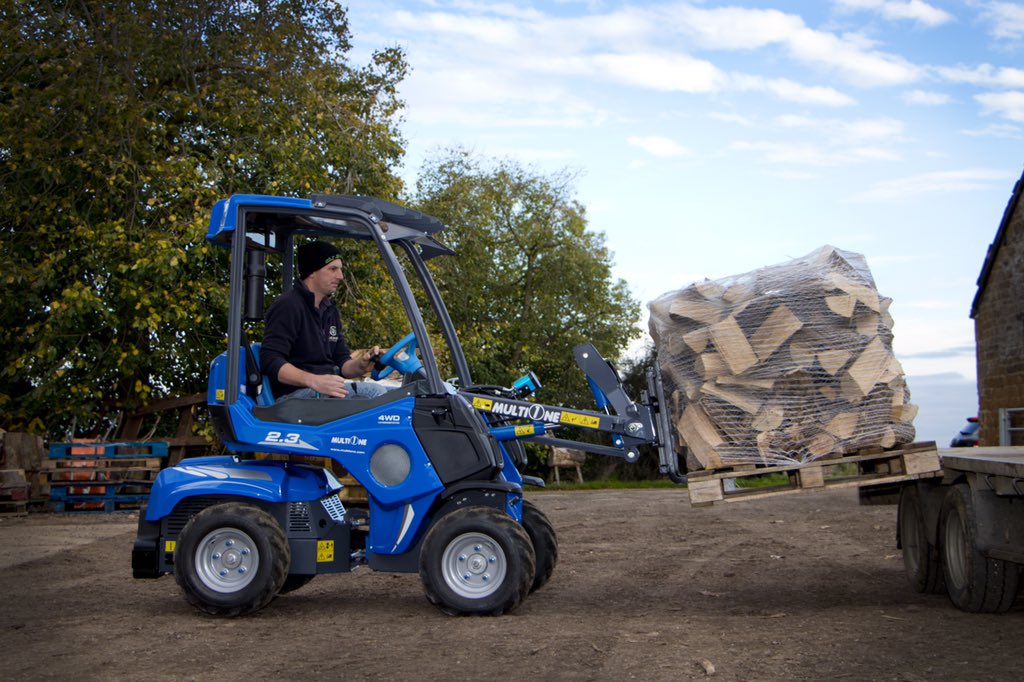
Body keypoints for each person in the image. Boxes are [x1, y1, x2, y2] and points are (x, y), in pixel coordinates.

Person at [260, 240, 388, 401]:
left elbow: (343, 364)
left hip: (323, 394)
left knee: (396, 397)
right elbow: (270, 361)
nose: (340, 276)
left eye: (340, 270)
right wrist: (314, 381)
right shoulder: (288, 305)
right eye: (333, 269)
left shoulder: (330, 310)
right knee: (375, 394)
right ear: (312, 271)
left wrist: (362, 365)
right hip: (294, 397)